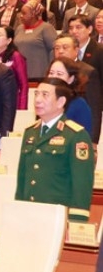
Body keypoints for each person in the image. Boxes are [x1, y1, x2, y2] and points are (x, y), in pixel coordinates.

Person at [16, 78, 93, 222]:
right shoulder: (30, 132)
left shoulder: (75, 135)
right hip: (29, 214)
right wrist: (19, 210)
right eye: (36, 94)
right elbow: (22, 178)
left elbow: (82, 183)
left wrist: (76, 220)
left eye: (45, 95)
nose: (38, 100)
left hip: (57, 217)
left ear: (61, 102)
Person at [13, 0, 56, 80]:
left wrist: (51, 71)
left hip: (39, 74)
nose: (21, 16)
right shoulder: (19, 28)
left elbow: (54, 50)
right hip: (20, 74)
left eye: (24, 13)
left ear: (33, 14)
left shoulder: (46, 28)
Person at [47, 58, 93, 133]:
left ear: (71, 79)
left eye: (59, 74)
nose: (54, 77)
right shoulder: (45, 100)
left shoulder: (79, 104)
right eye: (51, 73)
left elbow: (84, 137)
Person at [0, 26, 29, 110]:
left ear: (9, 40)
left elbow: (23, 85)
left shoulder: (16, 56)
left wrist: (22, 108)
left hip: (11, 102)